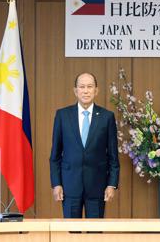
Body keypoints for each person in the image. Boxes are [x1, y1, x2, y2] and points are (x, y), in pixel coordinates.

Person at [50, 72, 120, 218]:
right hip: (69, 186)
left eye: (90, 86)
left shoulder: (107, 117)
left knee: (94, 235)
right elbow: (55, 155)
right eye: (82, 87)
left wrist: (111, 184)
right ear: (75, 91)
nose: (86, 90)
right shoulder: (63, 116)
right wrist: (56, 183)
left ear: (96, 90)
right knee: (71, 236)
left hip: (97, 186)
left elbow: (113, 156)